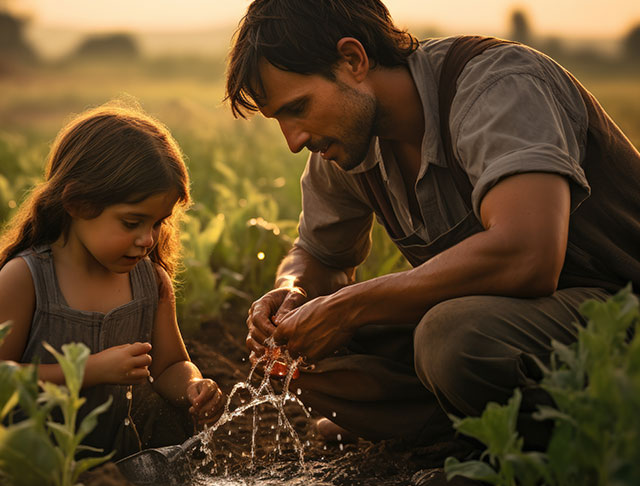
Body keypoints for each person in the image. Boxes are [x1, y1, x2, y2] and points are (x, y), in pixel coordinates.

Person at [226, 0, 640, 448]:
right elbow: (319, 253)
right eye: (280, 121)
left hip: (617, 309)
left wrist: (349, 307)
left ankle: (563, 450)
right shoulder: (346, 145)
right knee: (298, 352)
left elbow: (529, 255)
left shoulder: (498, 87)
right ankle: (460, 425)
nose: (293, 140)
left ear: (353, 60)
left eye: (299, 108)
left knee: (450, 338)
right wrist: (294, 294)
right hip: (518, 325)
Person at [0, 103, 225, 459]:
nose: (148, 240)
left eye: (157, 223)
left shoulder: (150, 281)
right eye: (131, 223)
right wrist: (91, 370)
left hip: (122, 465)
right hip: (35, 465)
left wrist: (194, 386)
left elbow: (169, 365)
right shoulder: (26, 278)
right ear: (77, 203)